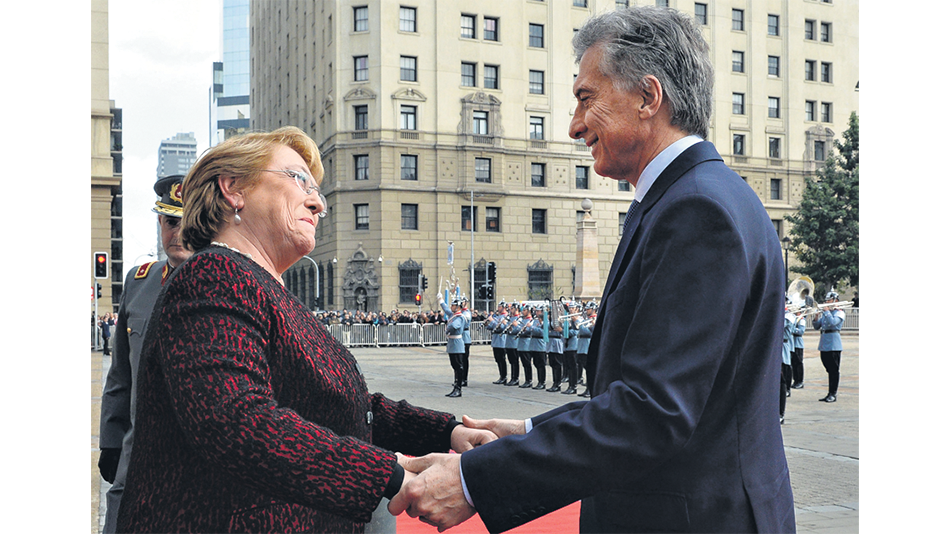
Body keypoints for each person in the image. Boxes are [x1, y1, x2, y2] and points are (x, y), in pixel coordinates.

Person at [389, 7, 795, 533]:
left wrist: (474, 480)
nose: (575, 125)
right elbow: (650, 394)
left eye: (586, 98)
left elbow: (653, 413)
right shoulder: (695, 197)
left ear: (649, 97)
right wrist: (529, 430)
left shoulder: (697, 211)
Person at [115, 127, 494, 534]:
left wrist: (448, 430)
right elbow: (237, 422)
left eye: (318, 190)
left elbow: (345, 404)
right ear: (233, 189)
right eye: (299, 179)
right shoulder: (215, 275)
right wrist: (396, 473)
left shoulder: (262, 286)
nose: (317, 203)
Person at [98, 174, 193, 534]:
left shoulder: (232, 285)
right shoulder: (139, 283)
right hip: (136, 460)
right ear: (159, 222)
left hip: (198, 469)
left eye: (188, 221)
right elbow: (120, 374)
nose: (178, 232)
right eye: (171, 221)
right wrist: (110, 442)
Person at [813, 291, 846, 403]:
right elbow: (817, 326)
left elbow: (833, 323)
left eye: (829, 300)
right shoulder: (827, 314)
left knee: (834, 370)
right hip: (824, 343)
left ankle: (833, 393)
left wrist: (827, 312)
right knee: (828, 368)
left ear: (835, 301)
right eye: (826, 300)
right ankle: (829, 393)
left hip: (834, 344)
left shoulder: (839, 313)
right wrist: (816, 317)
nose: (826, 302)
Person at [439, 293, 467, 398]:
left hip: (457, 344)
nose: (451, 307)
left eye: (453, 305)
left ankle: (458, 388)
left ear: (458, 307)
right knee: (454, 366)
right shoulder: (453, 316)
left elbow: (454, 326)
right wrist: (441, 300)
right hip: (452, 344)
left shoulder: (459, 317)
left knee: (458, 367)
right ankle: (455, 387)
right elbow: (446, 309)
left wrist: (447, 327)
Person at [485, 302, 509, 384]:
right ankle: (501, 376)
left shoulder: (506, 317)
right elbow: (491, 327)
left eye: (500, 306)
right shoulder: (498, 316)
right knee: (498, 359)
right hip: (495, 340)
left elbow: (501, 327)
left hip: (502, 341)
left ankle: (504, 376)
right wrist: (487, 323)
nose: (498, 308)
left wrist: (493, 321)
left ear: (504, 307)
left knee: (502, 359)